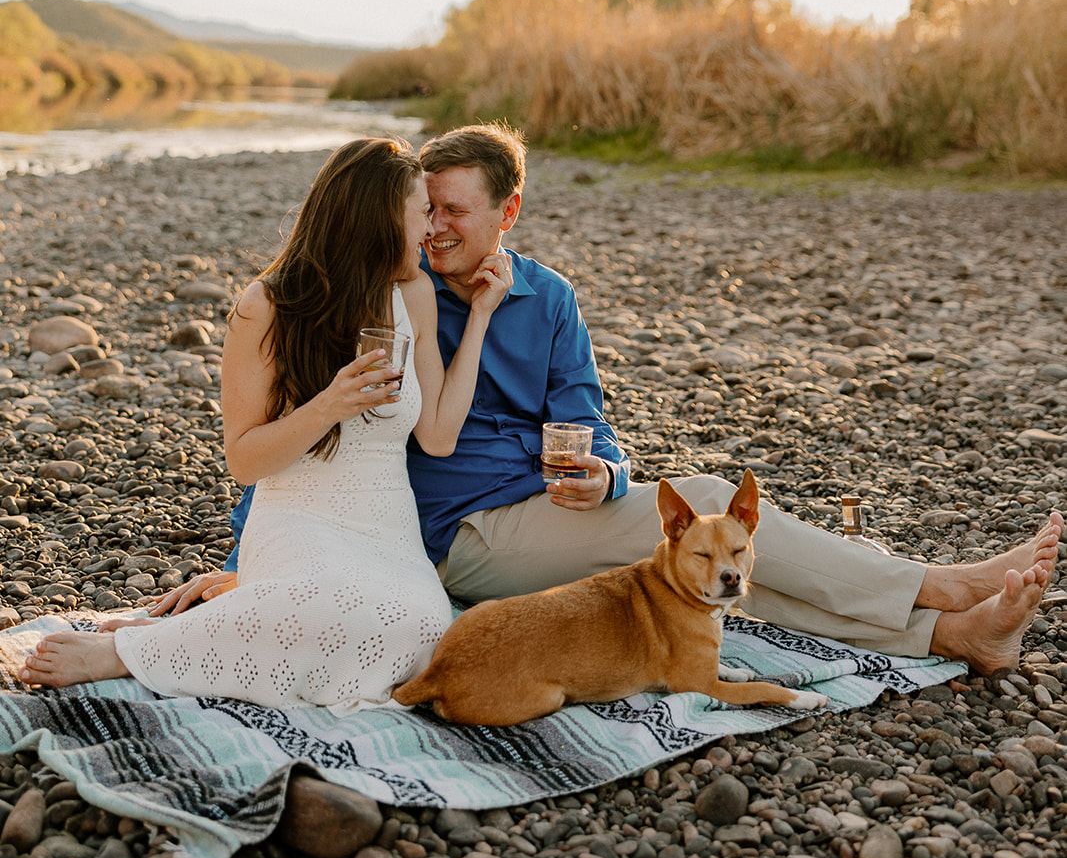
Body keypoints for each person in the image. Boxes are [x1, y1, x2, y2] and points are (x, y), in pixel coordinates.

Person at [144, 124, 1060, 678]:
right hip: (453, 530)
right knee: (702, 507)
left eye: (455, 212)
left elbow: (591, 418)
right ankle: (935, 585)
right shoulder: (392, 293)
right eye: (424, 209)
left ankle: (945, 634)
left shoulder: (546, 298)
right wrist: (249, 564)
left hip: (550, 508)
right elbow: (312, 446)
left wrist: (605, 472)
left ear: (507, 214)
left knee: (705, 568)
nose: (434, 229)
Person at [19, 137, 512, 707]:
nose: (430, 229)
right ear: (376, 219)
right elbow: (245, 458)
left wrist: (479, 319)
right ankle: (128, 654)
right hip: (299, 516)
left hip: (386, 525)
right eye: (422, 211)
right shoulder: (267, 305)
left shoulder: (414, 293)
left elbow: (438, 436)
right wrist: (329, 404)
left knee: (420, 629)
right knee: (324, 606)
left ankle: (182, 634)